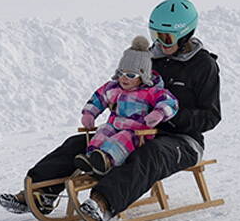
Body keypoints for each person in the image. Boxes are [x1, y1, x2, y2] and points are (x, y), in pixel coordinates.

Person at [0, 0, 221, 221]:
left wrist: (167, 119)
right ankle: (38, 193)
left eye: (166, 38)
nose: (160, 44)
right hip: (132, 132)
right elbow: (122, 84)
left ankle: (103, 202)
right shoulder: (148, 58)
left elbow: (211, 116)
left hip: (180, 140)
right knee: (79, 143)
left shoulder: (203, 66)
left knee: (149, 155)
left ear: (185, 35)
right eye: (155, 36)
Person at [74, 35, 179, 175]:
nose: (124, 78)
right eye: (121, 73)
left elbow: (170, 102)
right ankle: (91, 157)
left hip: (136, 133)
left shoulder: (151, 91)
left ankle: (106, 159)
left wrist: (158, 113)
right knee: (103, 130)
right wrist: (89, 113)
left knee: (122, 138)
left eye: (131, 75)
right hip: (114, 125)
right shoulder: (114, 87)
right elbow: (99, 97)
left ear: (143, 77)